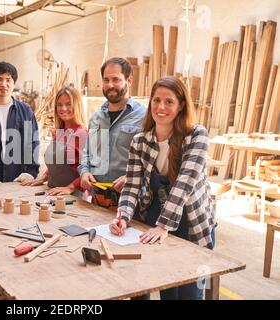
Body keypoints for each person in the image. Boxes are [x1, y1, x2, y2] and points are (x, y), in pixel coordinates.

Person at [110, 76, 216, 300]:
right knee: (167, 288)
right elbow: (131, 186)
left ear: (181, 106)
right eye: (156, 100)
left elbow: (185, 182)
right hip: (157, 216)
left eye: (169, 101)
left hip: (192, 221)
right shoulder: (140, 141)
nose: (161, 107)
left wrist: (164, 225)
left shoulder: (196, 135)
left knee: (190, 292)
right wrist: (123, 216)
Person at [78, 57, 146, 208]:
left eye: (116, 79)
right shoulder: (96, 118)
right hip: (98, 199)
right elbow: (87, 153)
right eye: (106, 80)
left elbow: (151, 162)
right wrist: (84, 171)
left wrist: (131, 177)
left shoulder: (144, 117)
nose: (110, 85)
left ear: (129, 81)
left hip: (131, 202)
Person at [21, 86, 87, 195]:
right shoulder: (59, 132)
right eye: (59, 105)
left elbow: (89, 170)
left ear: (77, 105)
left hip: (72, 196)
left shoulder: (82, 133)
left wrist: (70, 188)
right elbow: (57, 165)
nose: (63, 108)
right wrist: (43, 178)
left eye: (68, 104)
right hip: (52, 192)